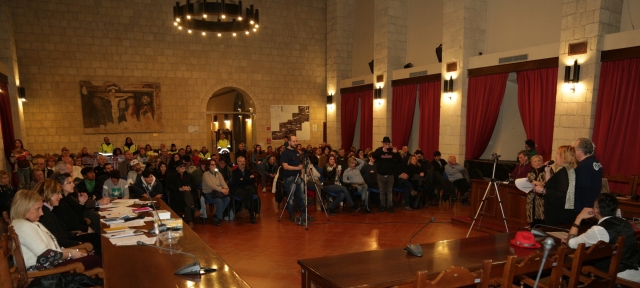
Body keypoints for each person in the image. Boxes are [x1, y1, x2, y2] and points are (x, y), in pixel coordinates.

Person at [10, 190, 101, 272]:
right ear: (24, 208)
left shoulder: (26, 223)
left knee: (90, 255)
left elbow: (52, 249)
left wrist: (75, 250)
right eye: (38, 209)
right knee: (96, 259)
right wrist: (70, 254)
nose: (42, 213)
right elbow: (46, 256)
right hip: (44, 272)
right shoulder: (23, 227)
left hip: (49, 265)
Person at [565, 193, 640, 283]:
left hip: (619, 274)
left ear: (596, 209)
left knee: (570, 275)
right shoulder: (624, 222)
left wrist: (579, 217)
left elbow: (571, 243)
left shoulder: (599, 230)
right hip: (635, 269)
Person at [34, 179, 102, 255]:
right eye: (58, 193)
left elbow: (63, 231)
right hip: (64, 246)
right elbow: (56, 239)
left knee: (96, 237)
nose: (61, 196)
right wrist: (79, 243)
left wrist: (76, 234)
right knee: (97, 240)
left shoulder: (48, 210)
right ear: (49, 194)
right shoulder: (44, 214)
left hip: (68, 237)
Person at [533, 145, 578, 226]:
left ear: (564, 156)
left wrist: (543, 190)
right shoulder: (569, 169)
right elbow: (551, 185)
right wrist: (547, 172)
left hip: (558, 211)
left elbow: (561, 193)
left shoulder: (563, 171)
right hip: (561, 209)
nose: (555, 156)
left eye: (557, 153)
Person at [280, 136, 313, 223]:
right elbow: (285, 166)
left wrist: (302, 173)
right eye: (293, 141)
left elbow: (300, 165)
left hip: (299, 177)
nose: (295, 143)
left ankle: (305, 214)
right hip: (289, 178)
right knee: (291, 197)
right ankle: (291, 214)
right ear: (289, 142)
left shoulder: (296, 152)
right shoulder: (285, 153)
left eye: (296, 141)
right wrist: (297, 168)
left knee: (301, 196)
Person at [372, 136, 401, 213]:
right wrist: (382, 151)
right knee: (381, 191)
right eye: (385, 144)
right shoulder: (379, 150)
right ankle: (382, 206)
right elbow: (373, 155)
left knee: (389, 191)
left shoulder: (392, 151)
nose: (387, 145)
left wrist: (396, 153)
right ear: (383, 144)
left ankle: (390, 206)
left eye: (388, 144)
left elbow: (399, 160)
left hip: (390, 175)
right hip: (380, 175)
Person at [573, 138, 603, 212]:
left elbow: (584, 189)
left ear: (581, 150)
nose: (574, 151)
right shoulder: (596, 162)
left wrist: (585, 208)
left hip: (584, 206)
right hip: (594, 202)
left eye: (575, 148)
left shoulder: (584, 166)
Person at [167, 162, 200, 228]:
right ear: (177, 168)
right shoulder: (172, 176)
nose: (183, 168)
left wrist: (188, 187)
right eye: (181, 166)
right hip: (177, 196)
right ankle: (193, 210)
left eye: (184, 166)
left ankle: (190, 221)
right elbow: (169, 186)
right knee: (186, 199)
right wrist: (179, 188)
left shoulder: (188, 175)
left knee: (186, 198)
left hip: (188, 197)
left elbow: (194, 184)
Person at [202, 159, 231, 226]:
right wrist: (221, 190)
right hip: (209, 193)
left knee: (227, 199)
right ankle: (219, 218)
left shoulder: (218, 173)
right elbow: (211, 185)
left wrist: (226, 189)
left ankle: (216, 215)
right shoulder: (206, 174)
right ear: (208, 166)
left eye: (214, 164)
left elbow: (223, 183)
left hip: (217, 192)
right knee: (219, 201)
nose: (213, 166)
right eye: (212, 164)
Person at [231, 156, 259, 224]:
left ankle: (244, 204)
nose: (242, 163)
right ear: (237, 163)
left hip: (248, 188)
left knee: (249, 189)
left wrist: (243, 180)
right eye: (241, 161)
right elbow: (236, 182)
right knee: (250, 196)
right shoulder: (234, 172)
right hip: (238, 189)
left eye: (243, 161)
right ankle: (252, 217)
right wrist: (247, 179)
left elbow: (253, 180)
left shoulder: (249, 171)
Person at [526, 155, 548, 226]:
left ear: (543, 162)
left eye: (539, 161)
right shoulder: (530, 173)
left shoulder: (547, 171)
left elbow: (546, 183)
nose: (537, 163)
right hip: (531, 199)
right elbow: (528, 181)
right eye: (535, 161)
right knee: (532, 220)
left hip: (542, 200)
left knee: (541, 221)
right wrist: (536, 182)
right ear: (532, 164)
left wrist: (535, 182)